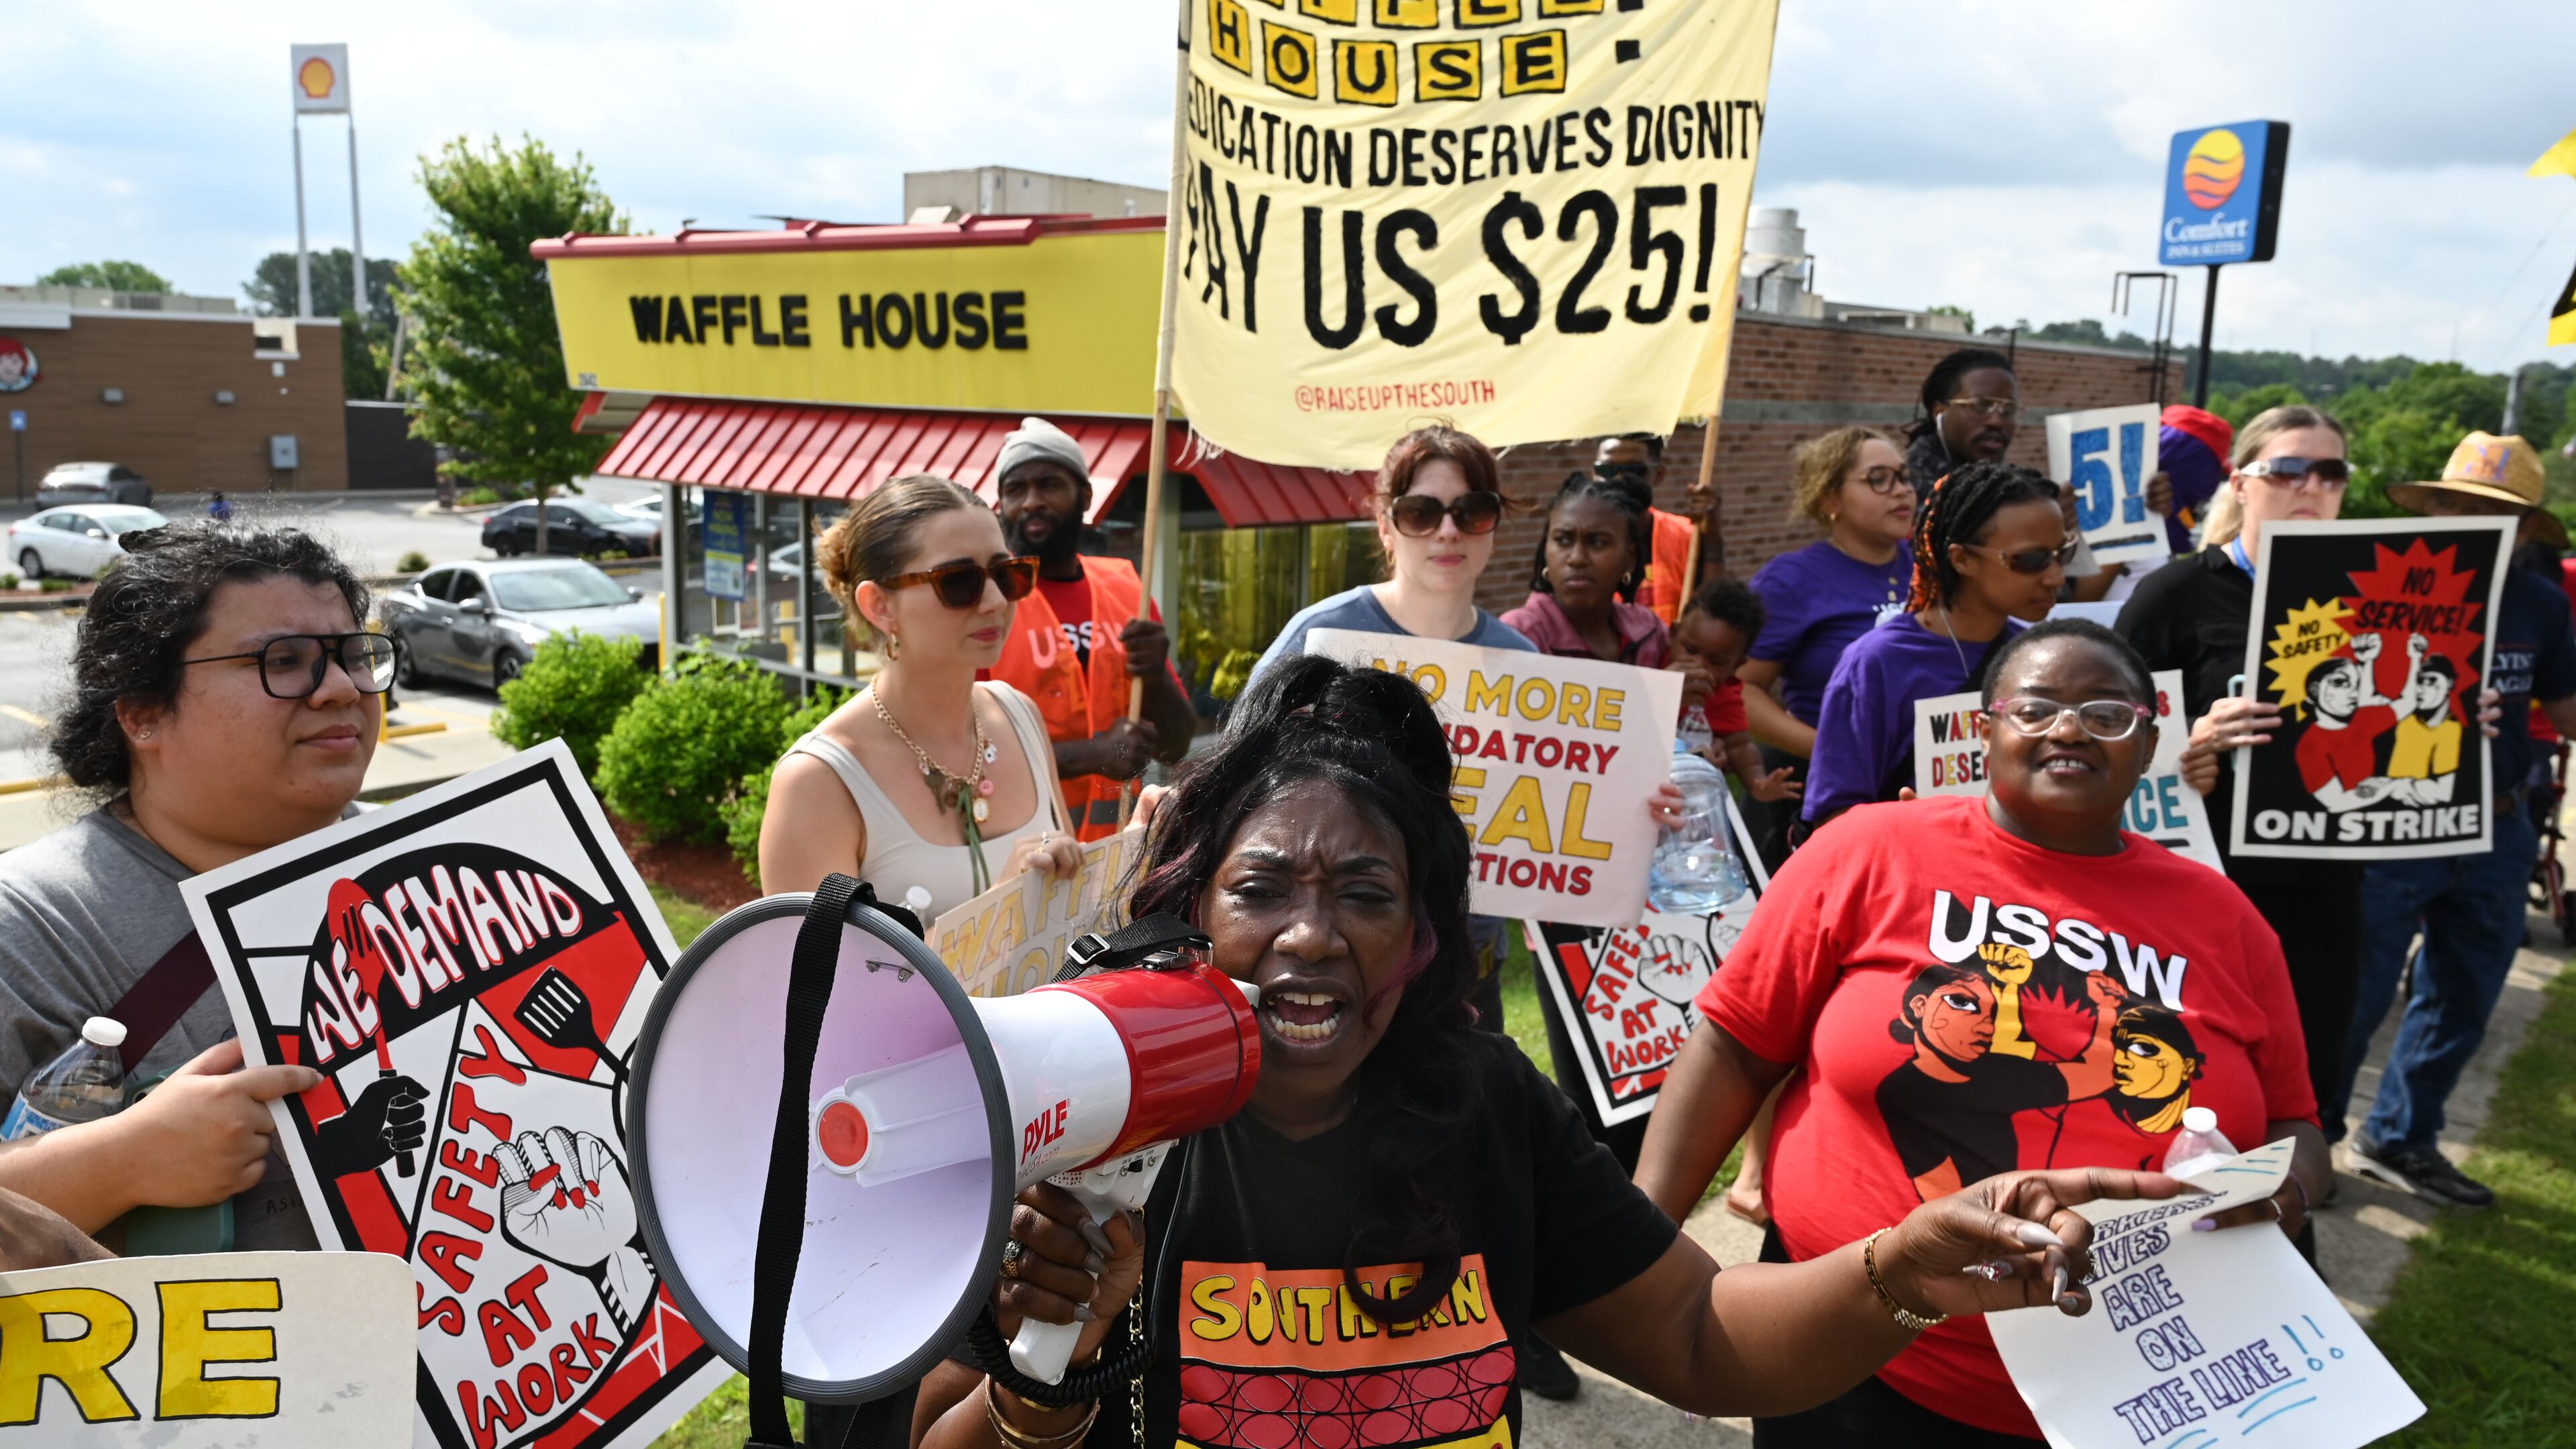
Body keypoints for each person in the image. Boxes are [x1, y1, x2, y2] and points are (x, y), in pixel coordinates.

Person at [915, 654, 2186, 1449]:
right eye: (1263, 890)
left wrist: (1899, 1273)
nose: (1310, 934)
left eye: (1365, 893)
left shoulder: (1477, 1101)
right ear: (1199, 912)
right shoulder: (1093, 1113)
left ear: (1419, 933)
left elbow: (1699, 1337)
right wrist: (1051, 1381)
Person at [1634, 620, 2329, 1443]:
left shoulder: (2228, 920)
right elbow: (1733, 1046)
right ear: (1983, 730)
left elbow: (2298, 1124)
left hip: (2143, 1387)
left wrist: (2280, 1193)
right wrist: (1641, 1253)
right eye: (2036, 708)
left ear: (2149, 747)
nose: (2068, 728)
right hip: (1860, 1360)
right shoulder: (1866, 850)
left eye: (2107, 714)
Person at [0, 524, 423, 1247]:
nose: (341, 690)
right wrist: (120, 1164)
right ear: (141, 713)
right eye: (283, 662)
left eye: (354, 655)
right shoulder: (33, 925)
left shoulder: (436, 851)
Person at [2337, 432, 2576, 1206]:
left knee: (2467, 991)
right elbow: (2325, 709)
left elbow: (2568, 713)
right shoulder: (2370, 589)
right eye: (2458, 504)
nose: (2471, 521)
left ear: (2523, 529)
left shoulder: (2541, 600)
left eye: (2493, 513)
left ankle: (2401, 1137)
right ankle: (2312, 1142)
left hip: (2501, 827)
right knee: (2357, 992)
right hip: (2394, 821)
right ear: (2432, 508)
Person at [2117, 406, 2370, 1122]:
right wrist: (2189, 739)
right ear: (2242, 482)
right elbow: (2106, 730)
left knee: (2300, 1089)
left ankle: (2288, 1219)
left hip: (2327, 888)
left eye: (2330, 473)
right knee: (2189, 1088)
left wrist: (2461, 726)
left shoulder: (2368, 599)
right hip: (2205, 887)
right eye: (2289, 469)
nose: (2310, 486)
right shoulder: (2177, 594)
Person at [759, 474, 1083, 917]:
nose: (994, 601)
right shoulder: (818, 783)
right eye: (959, 582)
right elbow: (829, 982)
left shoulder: (1018, 715)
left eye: (1007, 574)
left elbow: (1073, 914)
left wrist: (1142, 845)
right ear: (880, 606)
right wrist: (999, 911)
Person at [1801, 460, 2067, 830]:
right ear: (1962, 559)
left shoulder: (2042, 654)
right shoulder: (1877, 663)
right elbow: (1834, 817)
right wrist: (1914, 828)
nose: (2055, 577)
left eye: (2061, 554)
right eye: (2031, 560)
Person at [987, 418, 1195, 841]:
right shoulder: (985, 599)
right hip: (1019, 856)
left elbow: (1175, 745)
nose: (1031, 502)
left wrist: (1154, 676)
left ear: (1084, 496)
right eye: (1015, 490)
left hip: (1116, 854)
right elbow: (960, 756)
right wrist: (1091, 755)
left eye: (1049, 484)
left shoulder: (1127, 590)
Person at [1739, 427, 1917, 859]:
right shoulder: (1792, 581)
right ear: (1830, 499)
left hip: (1920, 789)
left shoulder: (1933, 566)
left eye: (1905, 475)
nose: (1902, 491)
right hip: (1830, 797)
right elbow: (1741, 691)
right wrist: (1829, 748)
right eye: (1878, 479)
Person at [1672, 578, 1801, 803]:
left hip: (1691, 798)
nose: (1699, 665)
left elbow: (1741, 746)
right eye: (1690, 650)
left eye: (1717, 662)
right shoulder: (1651, 668)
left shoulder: (1726, 698)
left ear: (1737, 666)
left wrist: (1757, 782)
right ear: (1672, 635)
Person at [1595, 432, 1725, 623]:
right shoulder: (1578, 541)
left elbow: (1715, 615)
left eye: (1634, 470)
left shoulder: (1687, 536)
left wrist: (1713, 540)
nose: (1620, 480)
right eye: (1607, 470)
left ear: (1659, 475)